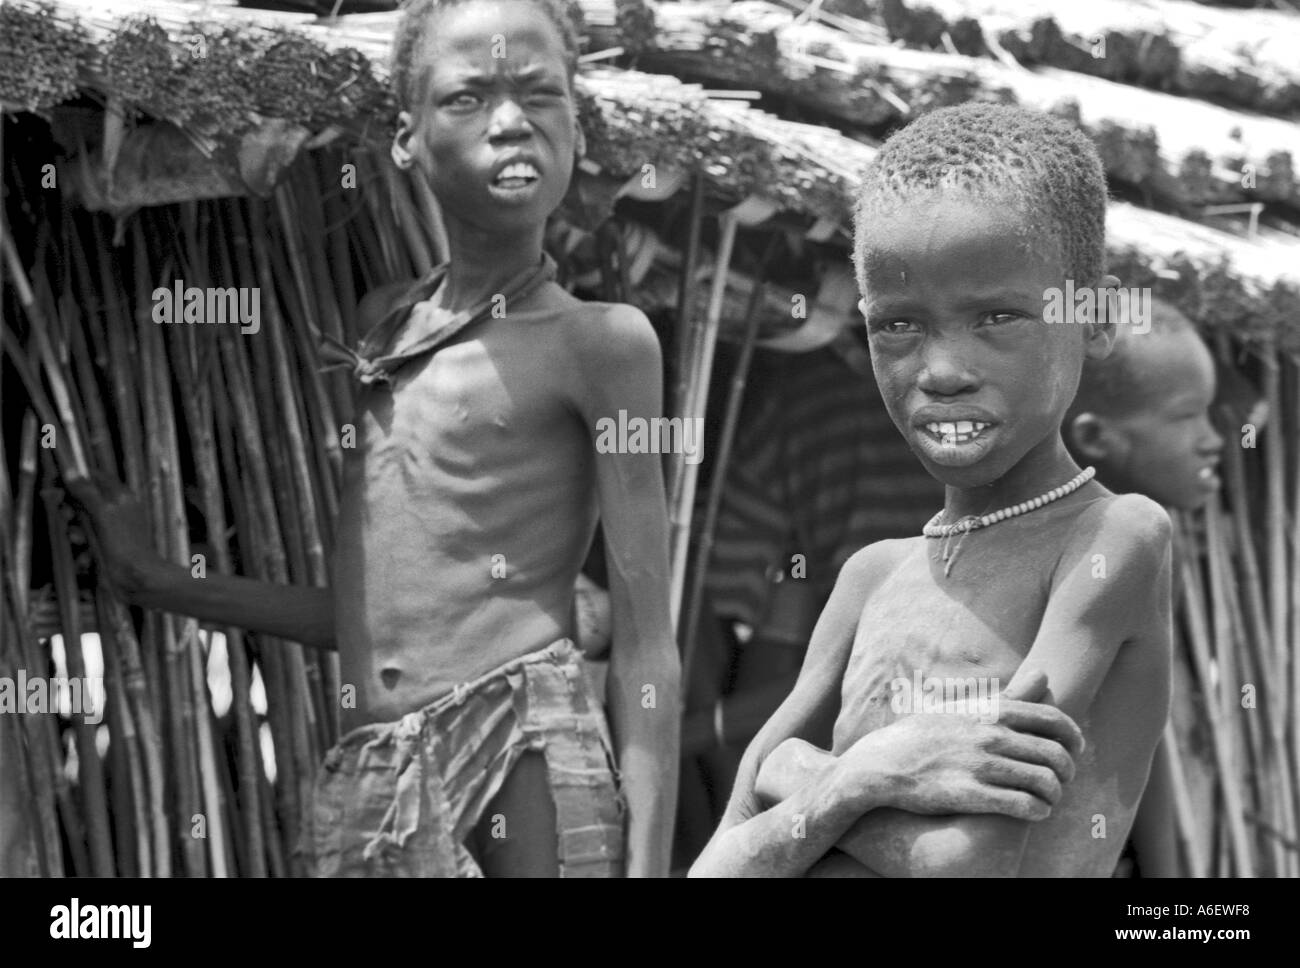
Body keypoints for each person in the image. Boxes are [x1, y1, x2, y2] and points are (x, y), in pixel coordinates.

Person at [67, 0, 679, 877]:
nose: (512, 121)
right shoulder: (383, 327)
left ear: (576, 129)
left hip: (521, 749)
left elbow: (647, 643)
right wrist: (161, 584)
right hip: (376, 778)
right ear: (406, 139)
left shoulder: (605, 344)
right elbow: (385, 625)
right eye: (468, 98)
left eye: (541, 94)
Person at [691, 103, 1172, 877]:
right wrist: (871, 774)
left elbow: (965, 861)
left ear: (1096, 317)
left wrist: (801, 777)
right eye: (898, 325)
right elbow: (717, 863)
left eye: (997, 316)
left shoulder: (1112, 539)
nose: (942, 371)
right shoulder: (870, 577)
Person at [1064, 298, 1226, 877]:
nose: (1213, 440)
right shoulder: (1115, 552)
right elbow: (1134, 746)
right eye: (1186, 417)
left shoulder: (1144, 543)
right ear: (1096, 437)